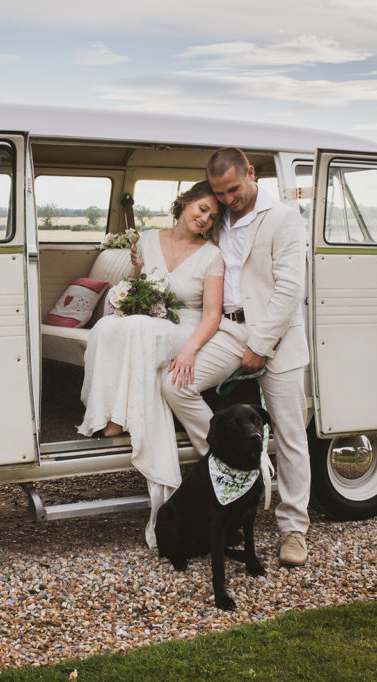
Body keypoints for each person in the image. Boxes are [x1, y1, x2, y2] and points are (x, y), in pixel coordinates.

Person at [161, 147, 312, 566]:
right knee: (176, 385)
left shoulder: (283, 218)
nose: (227, 200)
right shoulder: (219, 216)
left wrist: (260, 347)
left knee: (290, 433)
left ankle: (294, 531)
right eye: (219, 193)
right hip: (228, 327)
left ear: (250, 173)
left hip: (276, 334)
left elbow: (289, 290)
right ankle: (238, 465)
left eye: (233, 189)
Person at [78, 181, 225, 547]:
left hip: (186, 325)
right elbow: (142, 287)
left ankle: (122, 420)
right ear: (185, 202)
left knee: (140, 329)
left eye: (213, 216)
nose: (205, 219)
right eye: (202, 208)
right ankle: (106, 414)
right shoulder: (144, 240)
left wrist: (191, 349)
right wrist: (129, 300)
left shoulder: (212, 256)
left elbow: (212, 315)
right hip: (153, 316)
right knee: (107, 327)